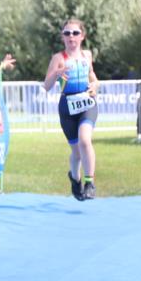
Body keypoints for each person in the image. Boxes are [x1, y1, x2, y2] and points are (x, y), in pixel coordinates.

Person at [43, 19, 99, 201]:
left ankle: (89, 183)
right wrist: (56, 73)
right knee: (76, 153)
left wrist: (95, 86)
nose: (71, 36)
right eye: (67, 33)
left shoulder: (87, 55)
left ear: (82, 36)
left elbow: (92, 76)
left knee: (85, 140)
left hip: (87, 103)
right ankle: (75, 179)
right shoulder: (58, 58)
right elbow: (47, 86)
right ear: (63, 37)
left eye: (75, 33)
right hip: (67, 107)